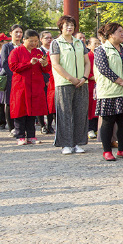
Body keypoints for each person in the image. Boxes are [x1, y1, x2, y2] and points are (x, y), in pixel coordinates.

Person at [50, 15, 90, 154]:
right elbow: (55, 63)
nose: (69, 27)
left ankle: (78, 142)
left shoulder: (80, 43)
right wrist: (70, 78)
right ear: (61, 27)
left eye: (72, 25)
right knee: (64, 113)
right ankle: (66, 144)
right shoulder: (56, 43)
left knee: (80, 113)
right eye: (66, 25)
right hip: (64, 83)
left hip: (81, 82)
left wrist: (84, 77)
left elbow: (87, 62)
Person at [93, 23, 123, 161]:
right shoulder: (101, 50)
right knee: (108, 121)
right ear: (110, 34)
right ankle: (107, 151)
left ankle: (122, 149)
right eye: (119, 31)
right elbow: (104, 69)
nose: (122, 34)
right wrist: (121, 81)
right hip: (109, 91)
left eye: (122, 31)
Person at [9, 29, 51, 144]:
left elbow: (46, 70)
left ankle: (31, 135)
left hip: (35, 86)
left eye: (36, 41)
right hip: (21, 86)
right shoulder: (16, 51)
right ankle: (20, 136)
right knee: (20, 111)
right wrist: (29, 63)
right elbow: (13, 66)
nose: (33, 43)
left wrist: (45, 64)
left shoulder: (38, 52)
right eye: (31, 41)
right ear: (24, 40)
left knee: (32, 111)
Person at [0, 25, 24, 135]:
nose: (18, 34)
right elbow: (5, 63)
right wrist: (13, 75)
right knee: (9, 103)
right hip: (11, 78)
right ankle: (11, 128)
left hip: (22, 79)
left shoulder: (24, 47)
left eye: (20, 32)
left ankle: (21, 127)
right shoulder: (7, 47)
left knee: (21, 102)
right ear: (11, 33)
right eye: (16, 32)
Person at [36, 31, 56, 135]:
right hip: (42, 80)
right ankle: (42, 125)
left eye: (50, 38)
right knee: (41, 104)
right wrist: (46, 79)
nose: (49, 40)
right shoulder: (38, 51)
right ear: (41, 39)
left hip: (53, 81)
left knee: (51, 105)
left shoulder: (54, 50)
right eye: (46, 38)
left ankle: (49, 125)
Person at [85, 36, 99, 138]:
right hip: (91, 85)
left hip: (99, 84)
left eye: (99, 43)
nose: (98, 46)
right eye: (95, 44)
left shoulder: (101, 55)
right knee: (90, 107)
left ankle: (97, 128)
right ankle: (90, 128)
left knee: (98, 106)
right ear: (88, 45)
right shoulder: (88, 56)